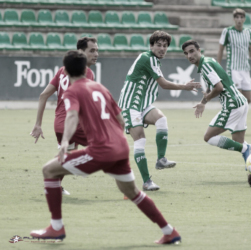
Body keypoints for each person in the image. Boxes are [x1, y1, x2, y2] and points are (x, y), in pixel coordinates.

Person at [30, 50, 181, 245]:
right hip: (120, 147)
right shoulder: (100, 88)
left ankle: (56, 228)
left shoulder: (71, 91)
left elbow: (72, 116)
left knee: (49, 170)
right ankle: (169, 231)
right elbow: (121, 120)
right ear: (86, 69)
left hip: (102, 150)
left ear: (65, 71)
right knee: (132, 192)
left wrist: (66, 141)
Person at [118, 30, 200, 191]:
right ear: (151, 46)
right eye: (158, 45)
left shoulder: (153, 60)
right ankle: (147, 181)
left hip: (142, 104)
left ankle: (161, 159)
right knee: (140, 140)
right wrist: (185, 86)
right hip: (129, 105)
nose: (162, 49)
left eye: (165, 46)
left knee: (161, 119)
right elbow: (163, 84)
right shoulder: (147, 58)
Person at [30, 37, 99, 195]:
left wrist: (38, 124)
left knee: (66, 154)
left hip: (59, 123)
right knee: (108, 145)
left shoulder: (62, 70)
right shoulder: (87, 73)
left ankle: (54, 186)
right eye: (92, 51)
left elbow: (43, 95)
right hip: (74, 123)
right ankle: (127, 184)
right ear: (80, 52)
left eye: (97, 50)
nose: (96, 54)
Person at [182, 40, 251, 166]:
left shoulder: (205, 65)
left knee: (208, 137)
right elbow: (212, 87)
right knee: (238, 141)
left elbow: (219, 87)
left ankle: (246, 149)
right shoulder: (209, 61)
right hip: (241, 102)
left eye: (192, 51)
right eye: (186, 53)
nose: (189, 55)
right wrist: (203, 102)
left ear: (199, 51)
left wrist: (207, 99)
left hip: (232, 104)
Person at [217, 8, 251, 103]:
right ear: (234, 19)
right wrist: (217, 66)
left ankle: (239, 116)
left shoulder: (248, 32)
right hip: (233, 68)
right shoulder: (228, 31)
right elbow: (221, 49)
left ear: (244, 19)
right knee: (237, 99)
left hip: (245, 69)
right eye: (237, 17)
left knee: (248, 100)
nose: (239, 19)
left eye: (241, 17)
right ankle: (233, 116)